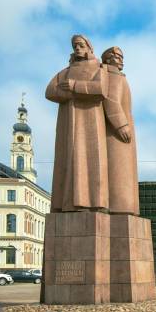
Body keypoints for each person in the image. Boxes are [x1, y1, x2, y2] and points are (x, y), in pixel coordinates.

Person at [46, 34, 109, 212]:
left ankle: (94, 203)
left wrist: (74, 86)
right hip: (68, 122)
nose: (77, 49)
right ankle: (68, 204)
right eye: (75, 46)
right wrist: (67, 95)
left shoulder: (98, 68)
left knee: (91, 160)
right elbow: (50, 91)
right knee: (70, 159)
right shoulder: (65, 71)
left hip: (91, 120)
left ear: (89, 47)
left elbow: (102, 89)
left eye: (81, 45)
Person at [100, 46, 139, 214]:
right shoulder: (111, 75)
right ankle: (120, 207)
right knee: (119, 171)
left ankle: (123, 207)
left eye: (121, 56)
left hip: (122, 130)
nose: (120, 59)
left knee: (124, 171)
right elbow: (111, 100)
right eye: (116, 56)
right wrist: (121, 125)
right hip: (116, 133)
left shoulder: (118, 75)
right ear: (107, 59)